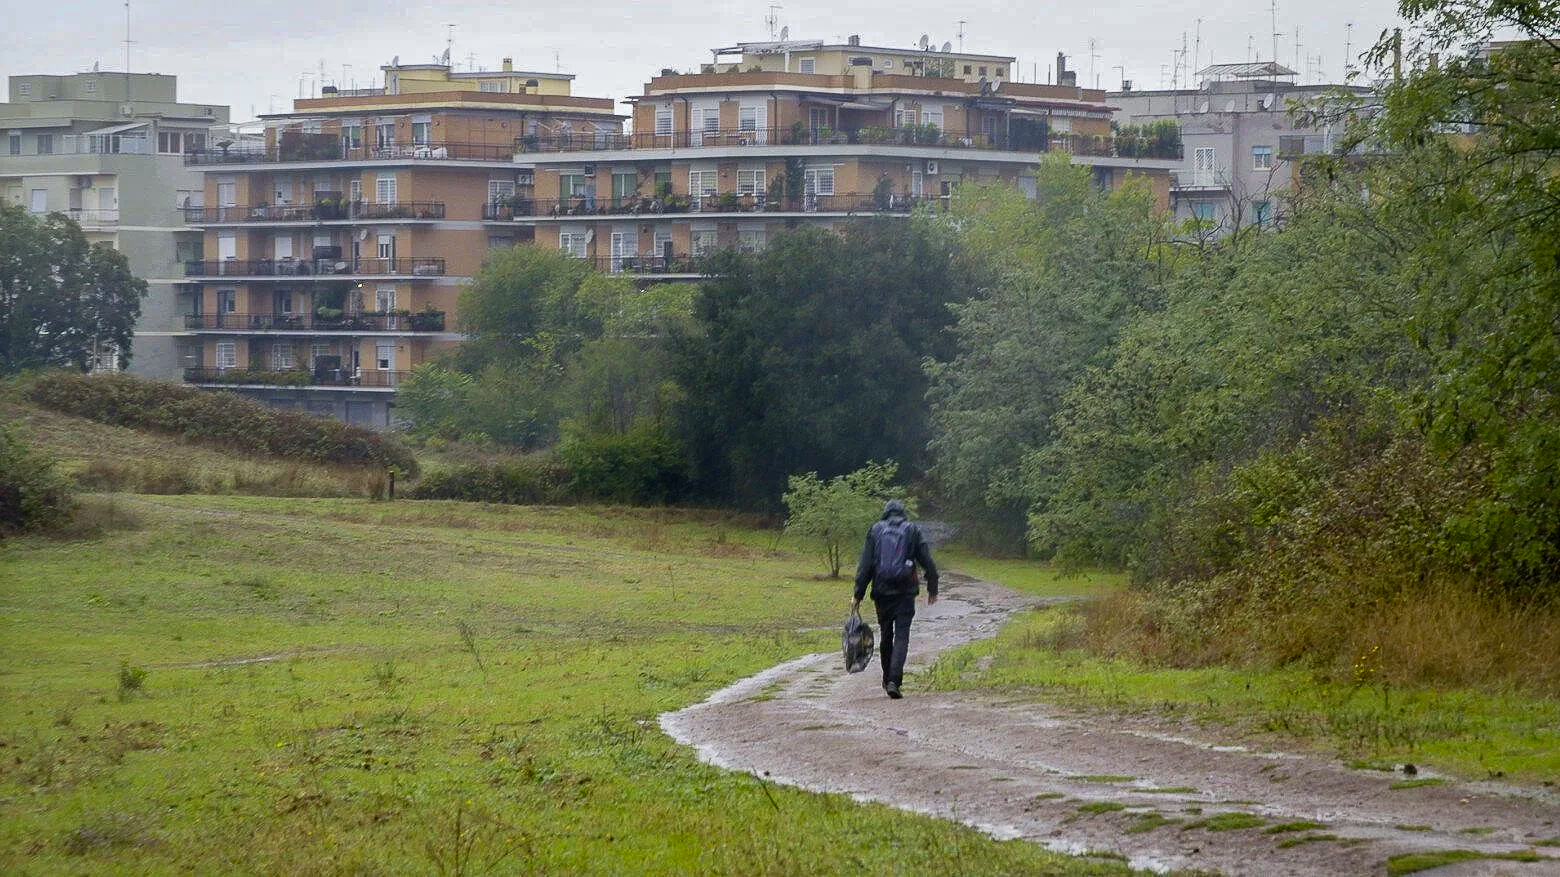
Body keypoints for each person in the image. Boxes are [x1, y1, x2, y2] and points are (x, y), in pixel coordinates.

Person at [852, 499, 938, 699]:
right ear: (902, 513)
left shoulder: (875, 531)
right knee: (901, 635)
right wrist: (932, 586)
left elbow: (865, 565)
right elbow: (927, 560)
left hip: (882, 592)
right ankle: (894, 680)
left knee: (886, 634)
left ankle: (886, 677)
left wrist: (858, 593)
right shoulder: (912, 530)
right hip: (905, 591)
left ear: (886, 513)